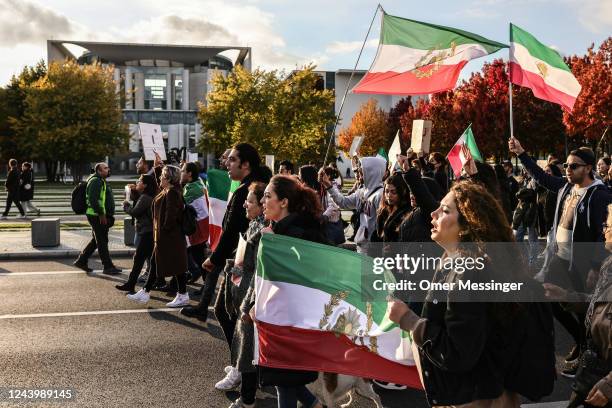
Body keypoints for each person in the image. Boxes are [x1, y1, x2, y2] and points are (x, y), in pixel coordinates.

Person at [388, 181, 524, 407]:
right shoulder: (457, 260)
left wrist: (409, 320)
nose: (433, 213)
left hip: (473, 398)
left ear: (467, 225)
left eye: (445, 210)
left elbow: (458, 353)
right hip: (469, 392)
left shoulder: (468, 271)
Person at [510, 137, 611, 376]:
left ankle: (589, 354)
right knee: (550, 299)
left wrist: (595, 267)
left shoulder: (599, 194)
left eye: (573, 166)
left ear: (587, 168)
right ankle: (580, 340)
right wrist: (523, 153)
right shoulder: (566, 187)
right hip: (559, 258)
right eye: (566, 165)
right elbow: (542, 178)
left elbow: (602, 234)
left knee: (582, 309)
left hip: (582, 263)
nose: (567, 169)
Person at [182, 143, 266, 392]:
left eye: (232, 160)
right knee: (228, 311)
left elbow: (232, 231)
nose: (226, 164)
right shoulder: (244, 186)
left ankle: (244, 369)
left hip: (245, 265)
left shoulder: (251, 190)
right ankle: (243, 365)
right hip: (238, 262)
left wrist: (215, 258)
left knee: (233, 315)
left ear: (246, 164)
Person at [256, 175, 326, 408]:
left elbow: (299, 275)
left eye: (268, 196)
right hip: (278, 315)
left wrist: (276, 247)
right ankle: (314, 404)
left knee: (284, 378)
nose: (263, 200)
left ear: (284, 202)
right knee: (282, 378)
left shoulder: (296, 233)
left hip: (292, 318)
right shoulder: (276, 229)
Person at [544, 204, 612, 407]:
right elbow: (598, 303)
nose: (604, 230)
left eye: (608, 225)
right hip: (595, 370)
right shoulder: (609, 264)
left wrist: (609, 385)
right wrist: (567, 296)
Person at [223, 182, 267, 408]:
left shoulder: (263, 231)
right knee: (248, 343)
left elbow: (257, 267)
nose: (244, 204)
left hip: (251, 292)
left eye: (249, 201)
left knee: (249, 343)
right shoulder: (254, 225)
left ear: (262, 205)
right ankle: (252, 386)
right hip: (244, 287)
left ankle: (247, 397)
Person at [128, 165, 190, 307]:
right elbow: (159, 182)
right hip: (164, 236)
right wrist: (157, 167)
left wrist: (163, 231)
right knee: (156, 263)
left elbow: (171, 216)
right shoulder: (167, 189)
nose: (160, 178)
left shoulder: (173, 192)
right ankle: (145, 292)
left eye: (162, 176)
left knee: (177, 266)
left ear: (168, 179)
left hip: (169, 237)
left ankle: (182, 295)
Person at [319, 156, 386, 253]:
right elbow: (343, 202)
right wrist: (328, 185)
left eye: (362, 171)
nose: (358, 174)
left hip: (373, 249)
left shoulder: (380, 195)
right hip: (361, 246)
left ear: (371, 172)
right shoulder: (361, 192)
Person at [73, 162, 121, 274]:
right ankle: (108, 266)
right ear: (99, 171)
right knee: (102, 241)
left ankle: (81, 260)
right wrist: (101, 214)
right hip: (96, 216)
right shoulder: (95, 181)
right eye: (105, 168)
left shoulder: (100, 180)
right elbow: (93, 200)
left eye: (108, 167)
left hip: (98, 215)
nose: (108, 169)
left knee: (97, 240)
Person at [115, 174, 157, 293]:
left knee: (139, 258)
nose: (137, 182)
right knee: (150, 259)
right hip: (148, 231)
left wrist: (125, 205)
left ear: (145, 185)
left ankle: (133, 284)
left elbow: (135, 211)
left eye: (139, 181)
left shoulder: (145, 198)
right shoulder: (147, 195)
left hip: (146, 232)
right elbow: (136, 200)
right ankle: (136, 283)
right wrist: (130, 191)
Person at [299, 165, 344, 245]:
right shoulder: (302, 190)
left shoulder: (324, 187)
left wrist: (324, 217)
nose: (299, 178)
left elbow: (334, 205)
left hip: (326, 227)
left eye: (300, 175)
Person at [181, 162, 208, 284]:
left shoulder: (191, 190)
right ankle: (198, 275)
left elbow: (180, 204)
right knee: (196, 255)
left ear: (189, 174)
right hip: (200, 225)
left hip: (197, 227)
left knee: (199, 257)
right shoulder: (197, 184)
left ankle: (207, 284)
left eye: (183, 171)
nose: (181, 173)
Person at [373, 173, 411, 243]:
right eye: (387, 191)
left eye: (393, 192)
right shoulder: (384, 210)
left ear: (402, 192)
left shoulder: (407, 212)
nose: (389, 195)